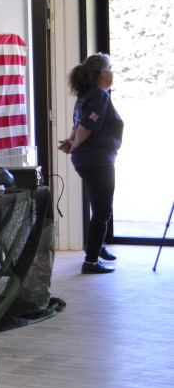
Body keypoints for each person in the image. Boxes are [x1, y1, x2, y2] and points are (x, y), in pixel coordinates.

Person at [58, 53, 124, 274]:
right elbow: (86, 126)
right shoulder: (99, 95)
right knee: (103, 209)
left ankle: (99, 246)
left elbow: (78, 124)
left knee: (99, 206)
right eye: (111, 69)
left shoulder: (85, 95)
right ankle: (92, 261)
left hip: (89, 159)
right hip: (97, 159)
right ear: (104, 73)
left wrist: (72, 141)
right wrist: (75, 143)